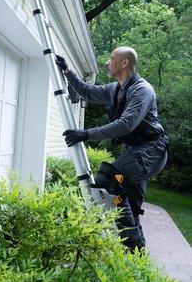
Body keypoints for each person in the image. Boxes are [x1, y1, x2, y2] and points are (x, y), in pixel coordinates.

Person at [55, 47, 168, 251]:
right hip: (136, 152)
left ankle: (120, 233)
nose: (107, 62)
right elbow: (87, 92)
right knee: (130, 205)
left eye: (112, 58)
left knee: (109, 176)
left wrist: (86, 133)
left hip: (151, 151)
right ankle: (136, 254)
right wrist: (68, 71)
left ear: (124, 63)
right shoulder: (115, 89)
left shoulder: (142, 90)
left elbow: (127, 124)